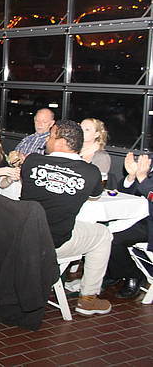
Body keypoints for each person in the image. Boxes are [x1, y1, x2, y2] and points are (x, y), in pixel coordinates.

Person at [20, 120, 111, 315]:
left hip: (22, 238)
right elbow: (95, 195)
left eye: (50, 136)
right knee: (103, 234)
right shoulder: (90, 172)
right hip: (54, 243)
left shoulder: (32, 161)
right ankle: (88, 299)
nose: (46, 140)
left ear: (61, 142)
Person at [106, 152, 153, 299]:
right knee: (101, 229)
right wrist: (131, 177)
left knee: (113, 238)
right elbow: (125, 193)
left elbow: (148, 191)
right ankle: (114, 272)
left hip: (149, 223)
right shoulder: (149, 159)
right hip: (138, 216)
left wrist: (142, 178)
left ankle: (133, 275)